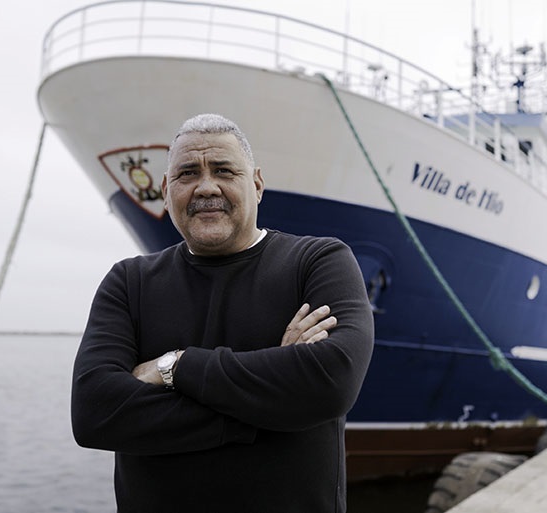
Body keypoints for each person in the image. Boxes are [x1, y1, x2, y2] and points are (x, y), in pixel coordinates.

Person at [71, 113, 375, 512]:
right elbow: (95, 413)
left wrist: (174, 367)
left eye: (224, 170)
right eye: (187, 174)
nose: (206, 187)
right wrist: (273, 402)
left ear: (257, 184)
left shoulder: (318, 261)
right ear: (165, 190)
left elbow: (331, 379)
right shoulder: (130, 282)